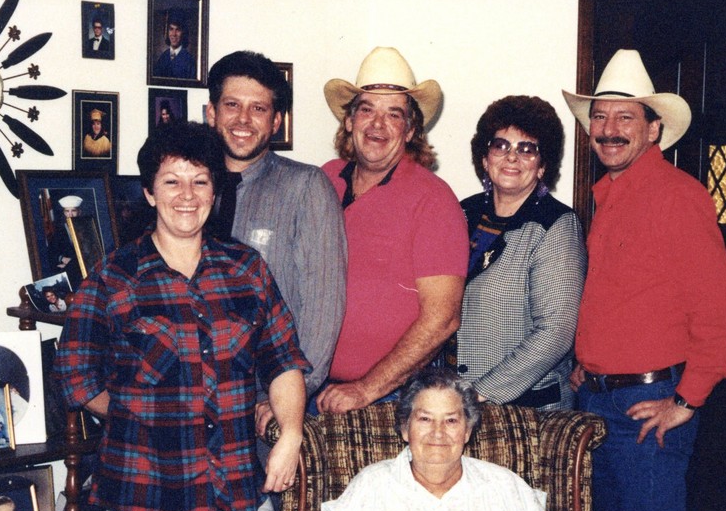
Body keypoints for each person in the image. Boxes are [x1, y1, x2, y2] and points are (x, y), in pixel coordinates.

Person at [53, 121, 309, 511]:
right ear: (150, 193)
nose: (187, 195)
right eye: (172, 181)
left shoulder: (247, 270)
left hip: (234, 482)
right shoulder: (113, 277)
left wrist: (290, 436)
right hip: (144, 489)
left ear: (215, 192)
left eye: (200, 181)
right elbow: (76, 376)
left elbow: (283, 360)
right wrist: (138, 417)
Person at [562, 49, 726, 511]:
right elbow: (620, 297)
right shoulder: (608, 195)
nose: (609, 129)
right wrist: (586, 361)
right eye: (600, 117)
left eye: (626, 117)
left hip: (647, 406)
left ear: (654, 129)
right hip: (598, 399)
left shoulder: (677, 196)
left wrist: (687, 400)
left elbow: (721, 310)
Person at [304, 368, 584, 511]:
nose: (438, 433)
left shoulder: (504, 483)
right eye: (425, 419)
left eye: (451, 420)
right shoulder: (372, 484)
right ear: (405, 429)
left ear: (467, 431)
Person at [316, 46, 468, 414]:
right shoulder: (322, 180)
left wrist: (365, 389)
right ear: (349, 120)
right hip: (313, 389)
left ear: (411, 129)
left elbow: (442, 319)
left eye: (394, 114)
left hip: (388, 398)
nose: (377, 124)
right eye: (367, 109)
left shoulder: (434, 199)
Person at [205, 50, 346, 420]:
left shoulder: (306, 187)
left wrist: (289, 396)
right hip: (197, 399)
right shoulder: (190, 188)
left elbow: (322, 310)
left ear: (276, 121)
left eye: (258, 108)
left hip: (267, 404)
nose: (243, 119)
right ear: (211, 113)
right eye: (232, 105)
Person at [450, 95, 586, 411]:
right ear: (485, 159)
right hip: (456, 401)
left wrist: (479, 394)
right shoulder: (461, 213)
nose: (512, 157)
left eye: (527, 149)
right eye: (500, 145)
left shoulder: (556, 225)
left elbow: (556, 333)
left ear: (542, 166)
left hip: (527, 410)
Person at [47, 195, 84, 288]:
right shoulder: (60, 229)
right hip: (69, 270)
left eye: (73, 211)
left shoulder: (87, 227)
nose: (70, 214)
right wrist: (62, 259)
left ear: (79, 212)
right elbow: (51, 252)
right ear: (64, 213)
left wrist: (71, 263)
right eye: (67, 211)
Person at [153, 10, 196, 79]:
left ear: (183, 33)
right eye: (171, 29)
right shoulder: (163, 58)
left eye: (178, 30)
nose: (174, 34)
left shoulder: (189, 61)